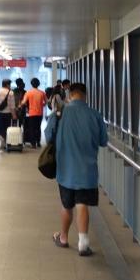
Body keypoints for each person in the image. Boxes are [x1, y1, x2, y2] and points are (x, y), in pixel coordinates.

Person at [47, 82, 108, 257]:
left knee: (67, 205)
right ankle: (83, 243)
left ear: (69, 94)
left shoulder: (59, 114)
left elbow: (48, 136)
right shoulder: (95, 115)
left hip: (65, 169)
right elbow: (103, 141)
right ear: (85, 95)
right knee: (82, 204)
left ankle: (63, 238)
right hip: (87, 171)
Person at [22, 78, 47, 149]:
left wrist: (22, 105)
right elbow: (46, 102)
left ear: (31, 84)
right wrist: (42, 105)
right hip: (40, 113)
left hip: (32, 113)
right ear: (38, 84)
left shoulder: (28, 92)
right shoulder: (42, 93)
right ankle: (38, 142)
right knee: (38, 128)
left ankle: (33, 144)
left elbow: (24, 102)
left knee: (32, 128)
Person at [0, 80, 14, 150]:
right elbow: (12, 106)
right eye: (9, 84)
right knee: (7, 129)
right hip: (8, 114)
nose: (10, 86)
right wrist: (14, 114)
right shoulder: (11, 93)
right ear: (7, 85)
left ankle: (1, 139)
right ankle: (5, 142)